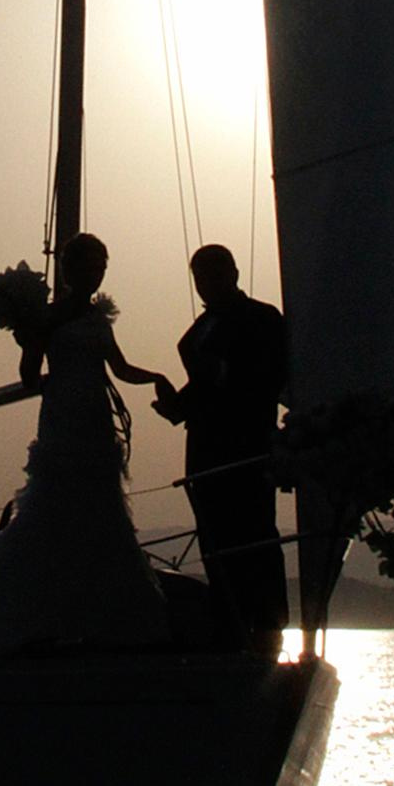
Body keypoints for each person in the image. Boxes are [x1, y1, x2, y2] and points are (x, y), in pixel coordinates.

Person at [0, 234, 172, 656]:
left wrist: (157, 378)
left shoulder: (99, 320)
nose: (95, 273)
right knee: (51, 508)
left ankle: (97, 618)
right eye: (87, 266)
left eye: (101, 266)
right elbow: (28, 375)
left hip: (96, 420)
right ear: (69, 271)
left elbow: (121, 368)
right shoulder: (50, 317)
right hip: (63, 418)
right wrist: (30, 340)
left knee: (101, 511)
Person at [152, 244, 289, 644]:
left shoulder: (262, 318)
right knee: (215, 539)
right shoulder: (202, 327)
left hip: (244, 447)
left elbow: (265, 377)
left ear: (232, 273)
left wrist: (220, 373)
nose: (205, 285)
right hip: (205, 447)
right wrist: (178, 405)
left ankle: (268, 627)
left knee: (255, 535)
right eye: (199, 278)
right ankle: (230, 625)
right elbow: (204, 385)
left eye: (212, 275)